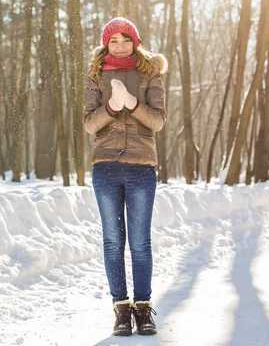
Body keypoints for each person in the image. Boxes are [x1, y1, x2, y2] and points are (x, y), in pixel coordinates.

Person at [83, 17, 168, 336]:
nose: (119, 45)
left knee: (141, 242)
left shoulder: (150, 74)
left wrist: (131, 104)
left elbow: (158, 121)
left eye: (125, 40)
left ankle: (143, 309)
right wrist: (110, 106)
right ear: (106, 44)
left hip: (141, 167)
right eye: (113, 41)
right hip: (105, 167)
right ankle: (121, 310)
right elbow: (90, 124)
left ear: (135, 42)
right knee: (113, 241)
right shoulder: (95, 75)